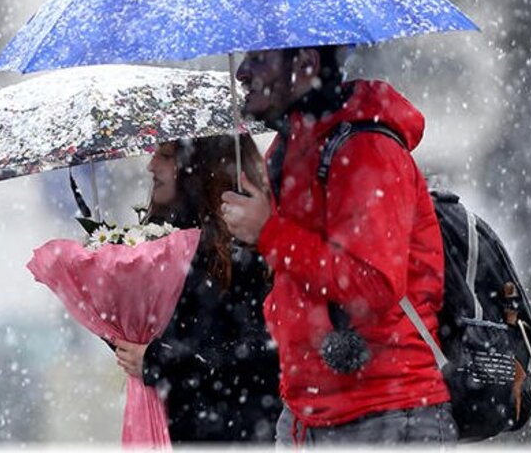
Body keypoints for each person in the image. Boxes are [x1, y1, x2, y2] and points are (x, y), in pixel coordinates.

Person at [220, 46, 457, 446]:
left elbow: (374, 286)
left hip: (386, 416)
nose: (242, 72)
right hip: (304, 415)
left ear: (307, 64)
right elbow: (300, 273)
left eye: (259, 58)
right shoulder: (288, 148)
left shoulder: (367, 149)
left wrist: (269, 233)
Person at [113, 133, 282, 444]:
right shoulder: (162, 241)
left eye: (164, 155)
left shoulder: (246, 244)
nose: (151, 166)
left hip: (241, 431)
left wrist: (160, 362)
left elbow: (264, 349)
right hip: (178, 427)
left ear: (198, 164)